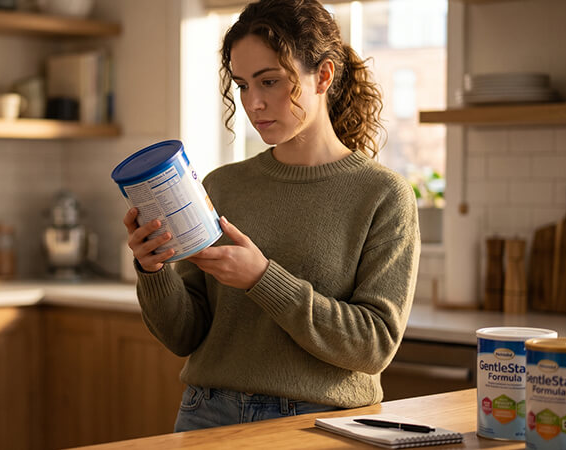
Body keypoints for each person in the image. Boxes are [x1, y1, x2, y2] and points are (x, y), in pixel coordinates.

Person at [122, 0, 420, 432]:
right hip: (208, 415)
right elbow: (183, 336)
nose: (253, 103)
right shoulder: (221, 187)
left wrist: (262, 278)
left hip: (323, 424)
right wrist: (153, 270)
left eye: (270, 81)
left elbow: (372, 345)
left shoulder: (382, 194)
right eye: (242, 85)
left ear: (323, 75)